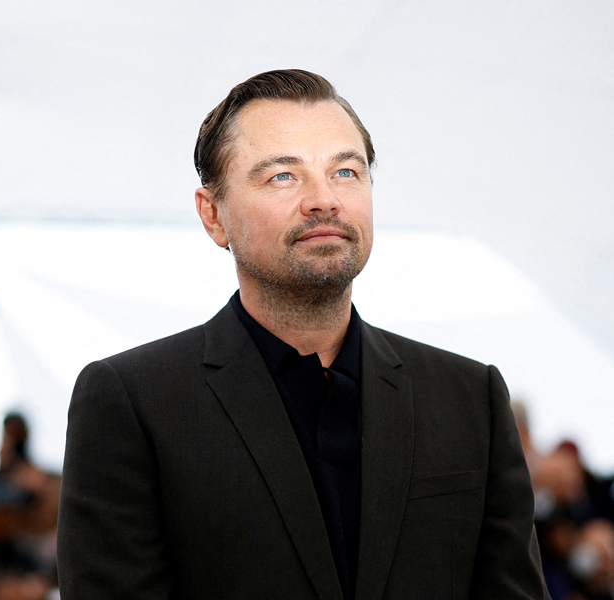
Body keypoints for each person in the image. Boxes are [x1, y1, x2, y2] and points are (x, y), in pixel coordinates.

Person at [57, 69, 549, 600]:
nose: (324, 199)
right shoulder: (134, 401)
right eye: (282, 177)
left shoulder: (469, 397)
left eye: (345, 172)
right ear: (213, 215)